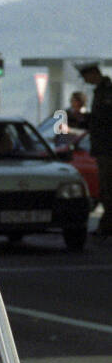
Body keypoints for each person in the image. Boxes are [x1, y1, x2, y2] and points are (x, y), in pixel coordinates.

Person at [78, 62, 112, 238]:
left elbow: (105, 119)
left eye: (86, 76)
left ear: (93, 74)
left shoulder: (107, 92)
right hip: (103, 148)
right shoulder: (100, 91)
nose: (85, 80)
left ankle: (106, 226)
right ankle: (106, 226)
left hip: (107, 148)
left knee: (107, 190)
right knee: (106, 190)